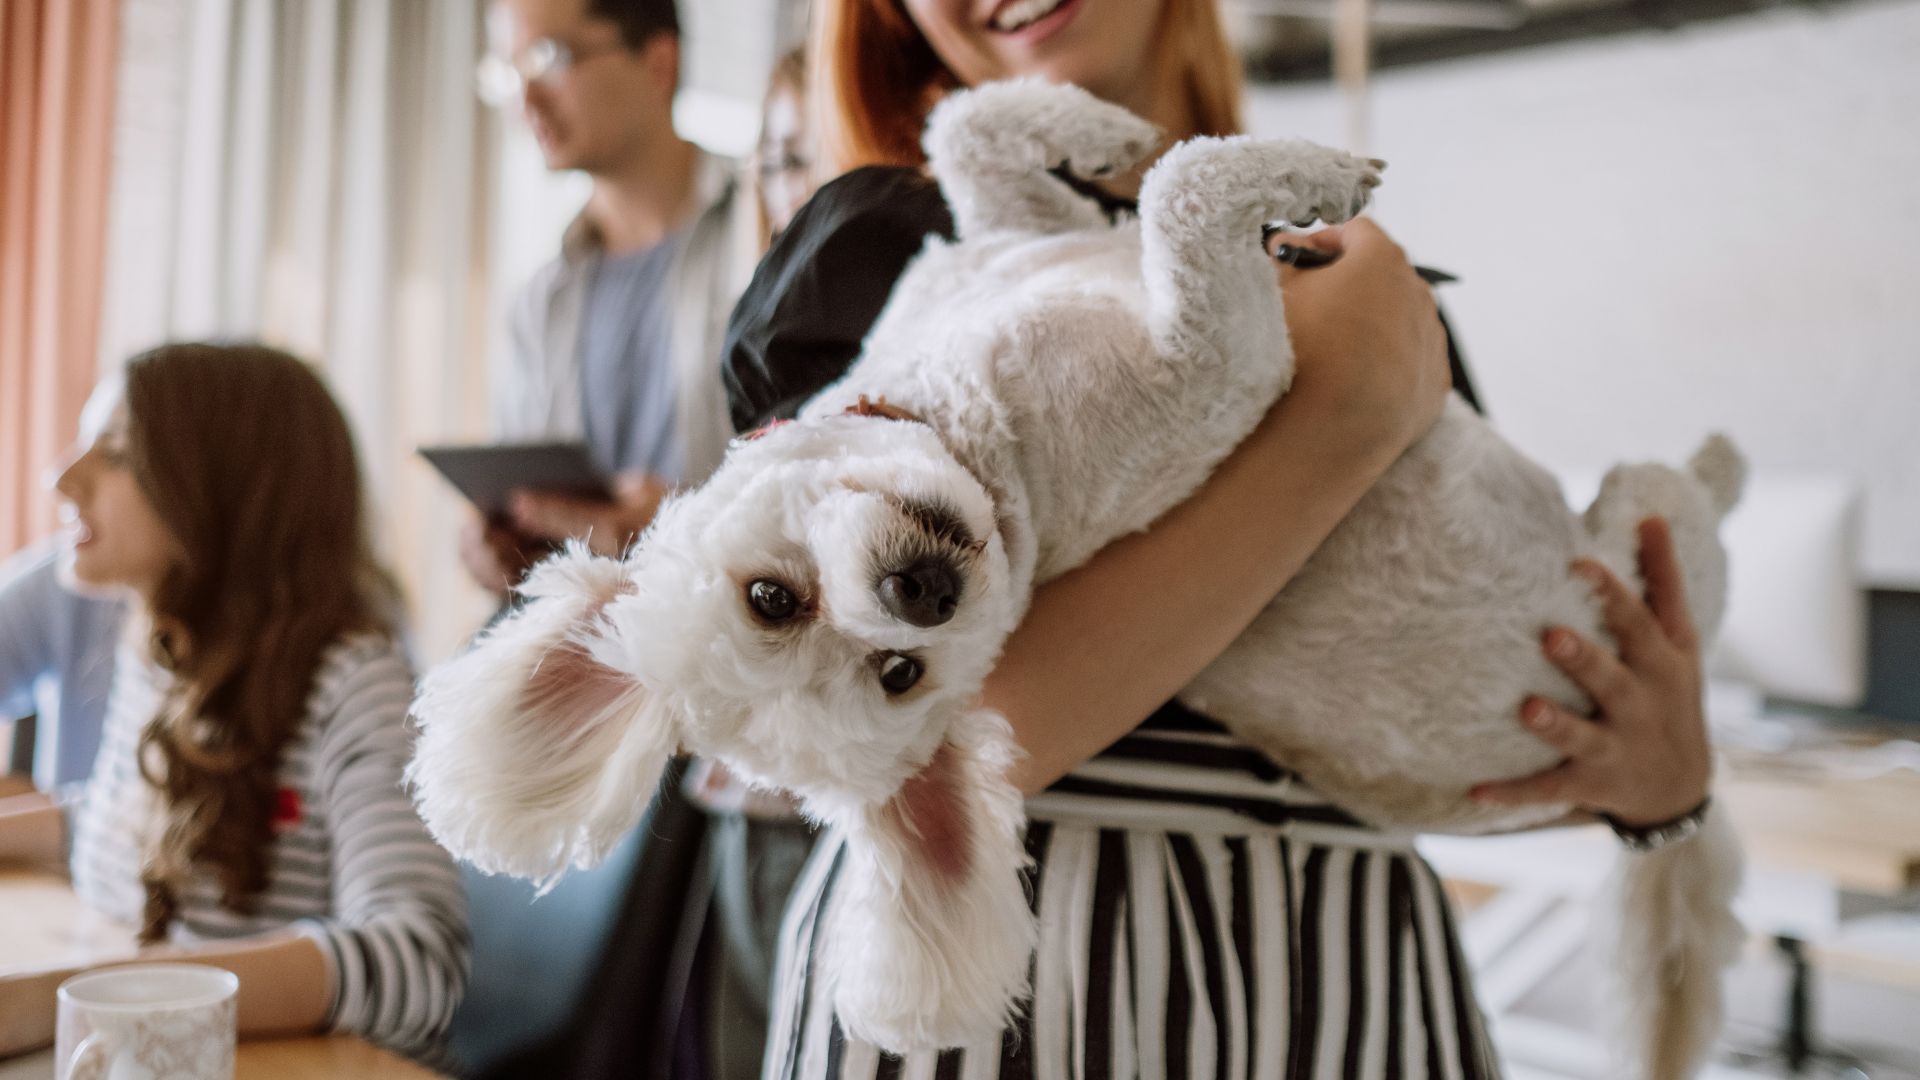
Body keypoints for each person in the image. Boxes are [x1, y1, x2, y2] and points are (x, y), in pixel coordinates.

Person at [719, 0, 1719, 1075]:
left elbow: (1446, 721)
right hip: (1016, 981)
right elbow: (908, 738)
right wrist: (1340, 417)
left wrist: (1659, 787)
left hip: (1360, 978)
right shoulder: (886, 247)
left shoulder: (1361, 273)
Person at [0, 344, 469, 1060]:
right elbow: (127, 823)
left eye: (117, 454)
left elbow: (419, 959)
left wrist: (80, 997)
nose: (62, 477)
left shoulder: (353, 682)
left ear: (223, 495)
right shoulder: (160, 650)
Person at [461, 0, 748, 600]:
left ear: (658, 62)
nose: (525, 100)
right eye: (510, 72)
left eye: (549, 59)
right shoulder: (541, 300)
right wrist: (500, 547)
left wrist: (683, 527)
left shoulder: (766, 231)